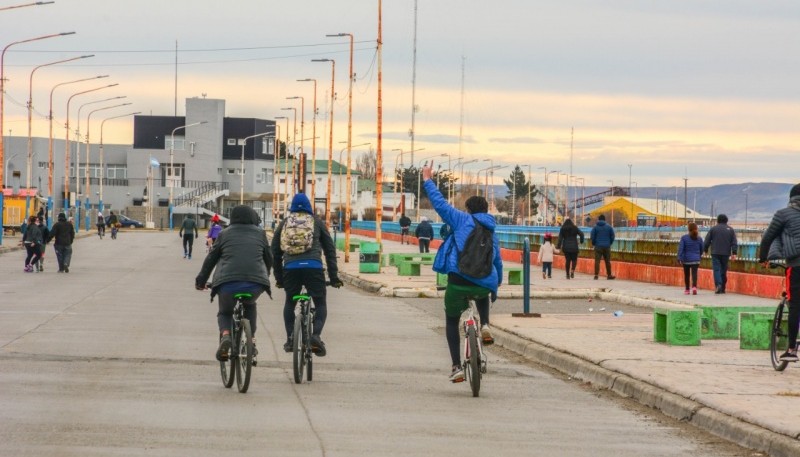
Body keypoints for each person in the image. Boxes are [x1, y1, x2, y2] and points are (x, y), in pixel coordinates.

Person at [421, 162, 503, 383]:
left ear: (468, 209)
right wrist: (496, 286)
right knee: (485, 290)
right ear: (486, 211)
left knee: (451, 321)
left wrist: (427, 179)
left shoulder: (460, 219)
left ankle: (456, 366)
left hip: (458, 280)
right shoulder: (492, 230)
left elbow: (439, 203)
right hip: (484, 282)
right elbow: (497, 262)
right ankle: (485, 324)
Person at [195, 205, 273, 364]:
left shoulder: (224, 234)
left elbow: (211, 259)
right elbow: (269, 258)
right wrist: (266, 274)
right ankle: (251, 340)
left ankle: (225, 336)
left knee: (225, 312)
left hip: (227, 283)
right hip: (255, 283)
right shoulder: (260, 234)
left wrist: (201, 281)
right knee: (250, 305)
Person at [272, 193, 342, 357]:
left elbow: (275, 252)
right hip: (313, 268)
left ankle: (290, 338)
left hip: (290, 269)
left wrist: (279, 279)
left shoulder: (284, 223)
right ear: (309, 207)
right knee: (320, 303)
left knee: (290, 302)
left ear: (292, 207)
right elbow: (330, 251)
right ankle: (316, 335)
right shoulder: (316, 222)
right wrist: (334, 278)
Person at [758, 183, 800, 361]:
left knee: (795, 305)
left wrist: (763, 258)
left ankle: (791, 349)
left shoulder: (783, 214)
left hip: (797, 265)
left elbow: (768, 237)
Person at [703, 214, 738, 294]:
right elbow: (734, 242)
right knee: (724, 270)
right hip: (726, 253)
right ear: (726, 220)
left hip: (715, 252)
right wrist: (734, 253)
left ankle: (718, 285)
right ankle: (723, 288)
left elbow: (707, 240)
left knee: (717, 269)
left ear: (718, 220)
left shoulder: (713, 229)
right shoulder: (731, 230)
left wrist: (705, 249)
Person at [678, 222, 703, 295]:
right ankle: (694, 287)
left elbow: (681, 249)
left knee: (687, 275)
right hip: (696, 259)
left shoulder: (684, 238)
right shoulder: (699, 238)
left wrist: (679, 257)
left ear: (688, 229)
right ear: (696, 229)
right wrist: (698, 255)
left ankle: (687, 289)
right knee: (694, 273)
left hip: (686, 259)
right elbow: (702, 249)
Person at [590, 214, 616, 280]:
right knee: (607, 261)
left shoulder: (595, 227)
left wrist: (594, 243)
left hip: (598, 246)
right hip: (607, 246)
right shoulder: (609, 227)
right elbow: (612, 236)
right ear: (605, 220)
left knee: (597, 261)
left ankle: (596, 275)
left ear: (599, 219)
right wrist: (609, 243)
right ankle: (609, 275)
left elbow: (592, 237)